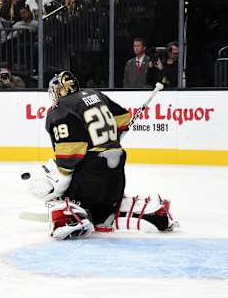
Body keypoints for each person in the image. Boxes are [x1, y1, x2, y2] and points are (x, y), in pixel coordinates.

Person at [25, 71, 176, 240]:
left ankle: (72, 217)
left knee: (64, 197)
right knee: (102, 216)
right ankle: (149, 215)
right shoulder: (95, 94)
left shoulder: (60, 109)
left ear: (59, 90)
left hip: (91, 180)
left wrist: (59, 184)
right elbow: (124, 118)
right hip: (117, 177)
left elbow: (69, 156)